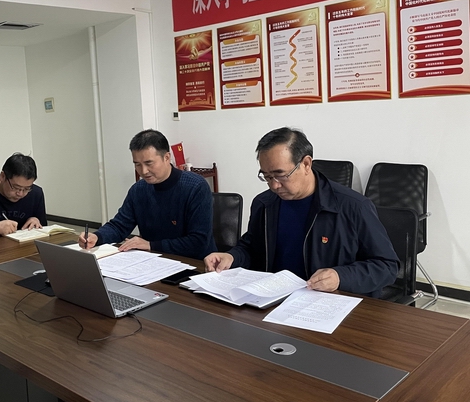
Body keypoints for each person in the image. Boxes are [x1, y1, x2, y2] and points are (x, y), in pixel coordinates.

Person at [204, 127, 398, 298]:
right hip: (274, 300)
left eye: (280, 175)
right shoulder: (264, 204)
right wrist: (232, 257)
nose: (274, 185)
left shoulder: (353, 207)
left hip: (330, 303)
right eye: (267, 177)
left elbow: (387, 266)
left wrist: (341, 277)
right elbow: (252, 248)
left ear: (306, 164)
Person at [78, 129, 215, 259]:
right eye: (137, 164)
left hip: (195, 263)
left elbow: (198, 242)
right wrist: (97, 237)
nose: (143, 171)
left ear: (167, 157)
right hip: (153, 260)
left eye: (149, 163)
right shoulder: (138, 190)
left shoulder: (195, 187)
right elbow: (119, 226)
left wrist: (150, 245)